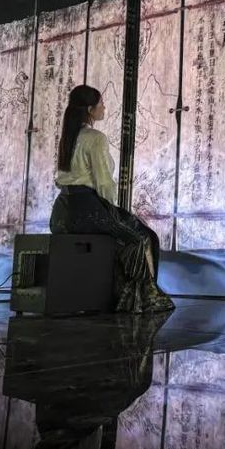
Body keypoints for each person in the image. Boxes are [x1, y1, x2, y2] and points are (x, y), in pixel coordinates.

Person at [50, 84, 174, 313]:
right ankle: (142, 298)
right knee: (143, 238)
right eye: (101, 103)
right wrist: (112, 212)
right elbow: (104, 183)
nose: (104, 107)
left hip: (61, 212)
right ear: (90, 109)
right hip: (88, 211)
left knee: (126, 232)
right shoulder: (95, 138)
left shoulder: (67, 138)